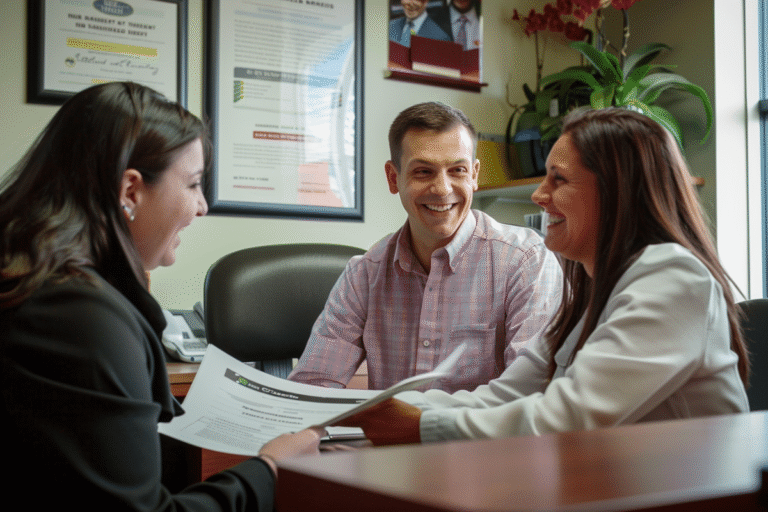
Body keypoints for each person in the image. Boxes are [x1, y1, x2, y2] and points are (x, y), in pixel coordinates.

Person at [335, 107, 750, 446]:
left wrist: (420, 427)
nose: (538, 195)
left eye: (559, 179)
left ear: (615, 191)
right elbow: (506, 395)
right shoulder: (592, 296)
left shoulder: (673, 280)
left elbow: (567, 416)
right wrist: (395, 410)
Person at [0, 82, 323, 510]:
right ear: (130, 191)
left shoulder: (33, 275)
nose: (202, 206)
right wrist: (270, 471)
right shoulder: (78, 315)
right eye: (192, 185)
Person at [289, 102, 562, 392]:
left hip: (482, 438)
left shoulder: (525, 261)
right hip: (392, 438)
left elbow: (529, 390)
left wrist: (421, 421)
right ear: (394, 178)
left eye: (457, 170)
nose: (442, 189)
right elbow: (312, 387)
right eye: (423, 172)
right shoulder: (364, 275)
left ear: (474, 176)